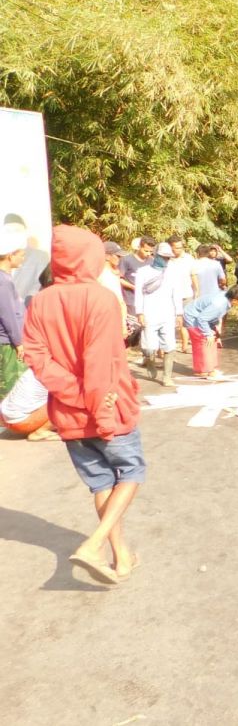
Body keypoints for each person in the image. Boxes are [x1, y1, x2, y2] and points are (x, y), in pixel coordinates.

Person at [23, 225, 145, 585]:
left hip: (67, 411)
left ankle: (121, 557)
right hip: (109, 404)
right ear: (89, 257)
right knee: (132, 473)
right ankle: (94, 545)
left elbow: (37, 356)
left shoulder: (41, 300)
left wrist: (71, 394)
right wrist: (101, 412)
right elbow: (100, 363)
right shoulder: (100, 298)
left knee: (101, 483)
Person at [134, 242, 185, 387]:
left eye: (168, 258)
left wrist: (179, 313)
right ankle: (150, 361)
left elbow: (177, 294)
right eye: (163, 257)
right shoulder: (143, 272)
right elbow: (138, 293)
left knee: (169, 345)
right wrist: (140, 312)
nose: (166, 260)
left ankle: (167, 377)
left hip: (168, 313)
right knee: (149, 347)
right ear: (155, 255)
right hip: (149, 313)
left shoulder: (173, 271)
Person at [182, 285, 238, 378]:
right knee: (204, 342)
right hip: (194, 318)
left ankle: (210, 369)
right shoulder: (219, 304)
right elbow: (202, 319)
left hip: (203, 318)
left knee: (213, 340)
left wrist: (214, 332)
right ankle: (202, 371)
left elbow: (213, 316)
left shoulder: (226, 298)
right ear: (234, 300)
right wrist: (208, 334)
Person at [0, 224, 27, 399]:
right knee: (10, 386)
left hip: (8, 341)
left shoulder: (6, 278)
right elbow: (8, 315)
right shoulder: (3, 281)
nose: (23, 259)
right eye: (21, 255)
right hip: (6, 343)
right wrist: (19, 343)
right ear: (11, 255)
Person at [0, 366, 54, 441]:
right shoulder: (56, 372)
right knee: (64, 402)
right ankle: (41, 432)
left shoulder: (39, 366)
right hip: (20, 421)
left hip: (5, 417)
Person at [166, 235, 197, 353]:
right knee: (168, 322)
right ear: (170, 247)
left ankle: (185, 346)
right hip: (169, 296)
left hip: (186, 294)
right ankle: (166, 348)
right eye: (176, 248)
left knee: (185, 322)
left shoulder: (189, 258)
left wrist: (197, 291)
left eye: (180, 247)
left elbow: (193, 275)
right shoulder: (165, 259)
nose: (179, 250)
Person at [118, 236, 154, 315]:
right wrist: (134, 287)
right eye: (146, 251)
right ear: (139, 247)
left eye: (150, 251)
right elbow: (119, 279)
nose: (148, 254)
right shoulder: (126, 260)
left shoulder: (152, 261)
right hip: (130, 300)